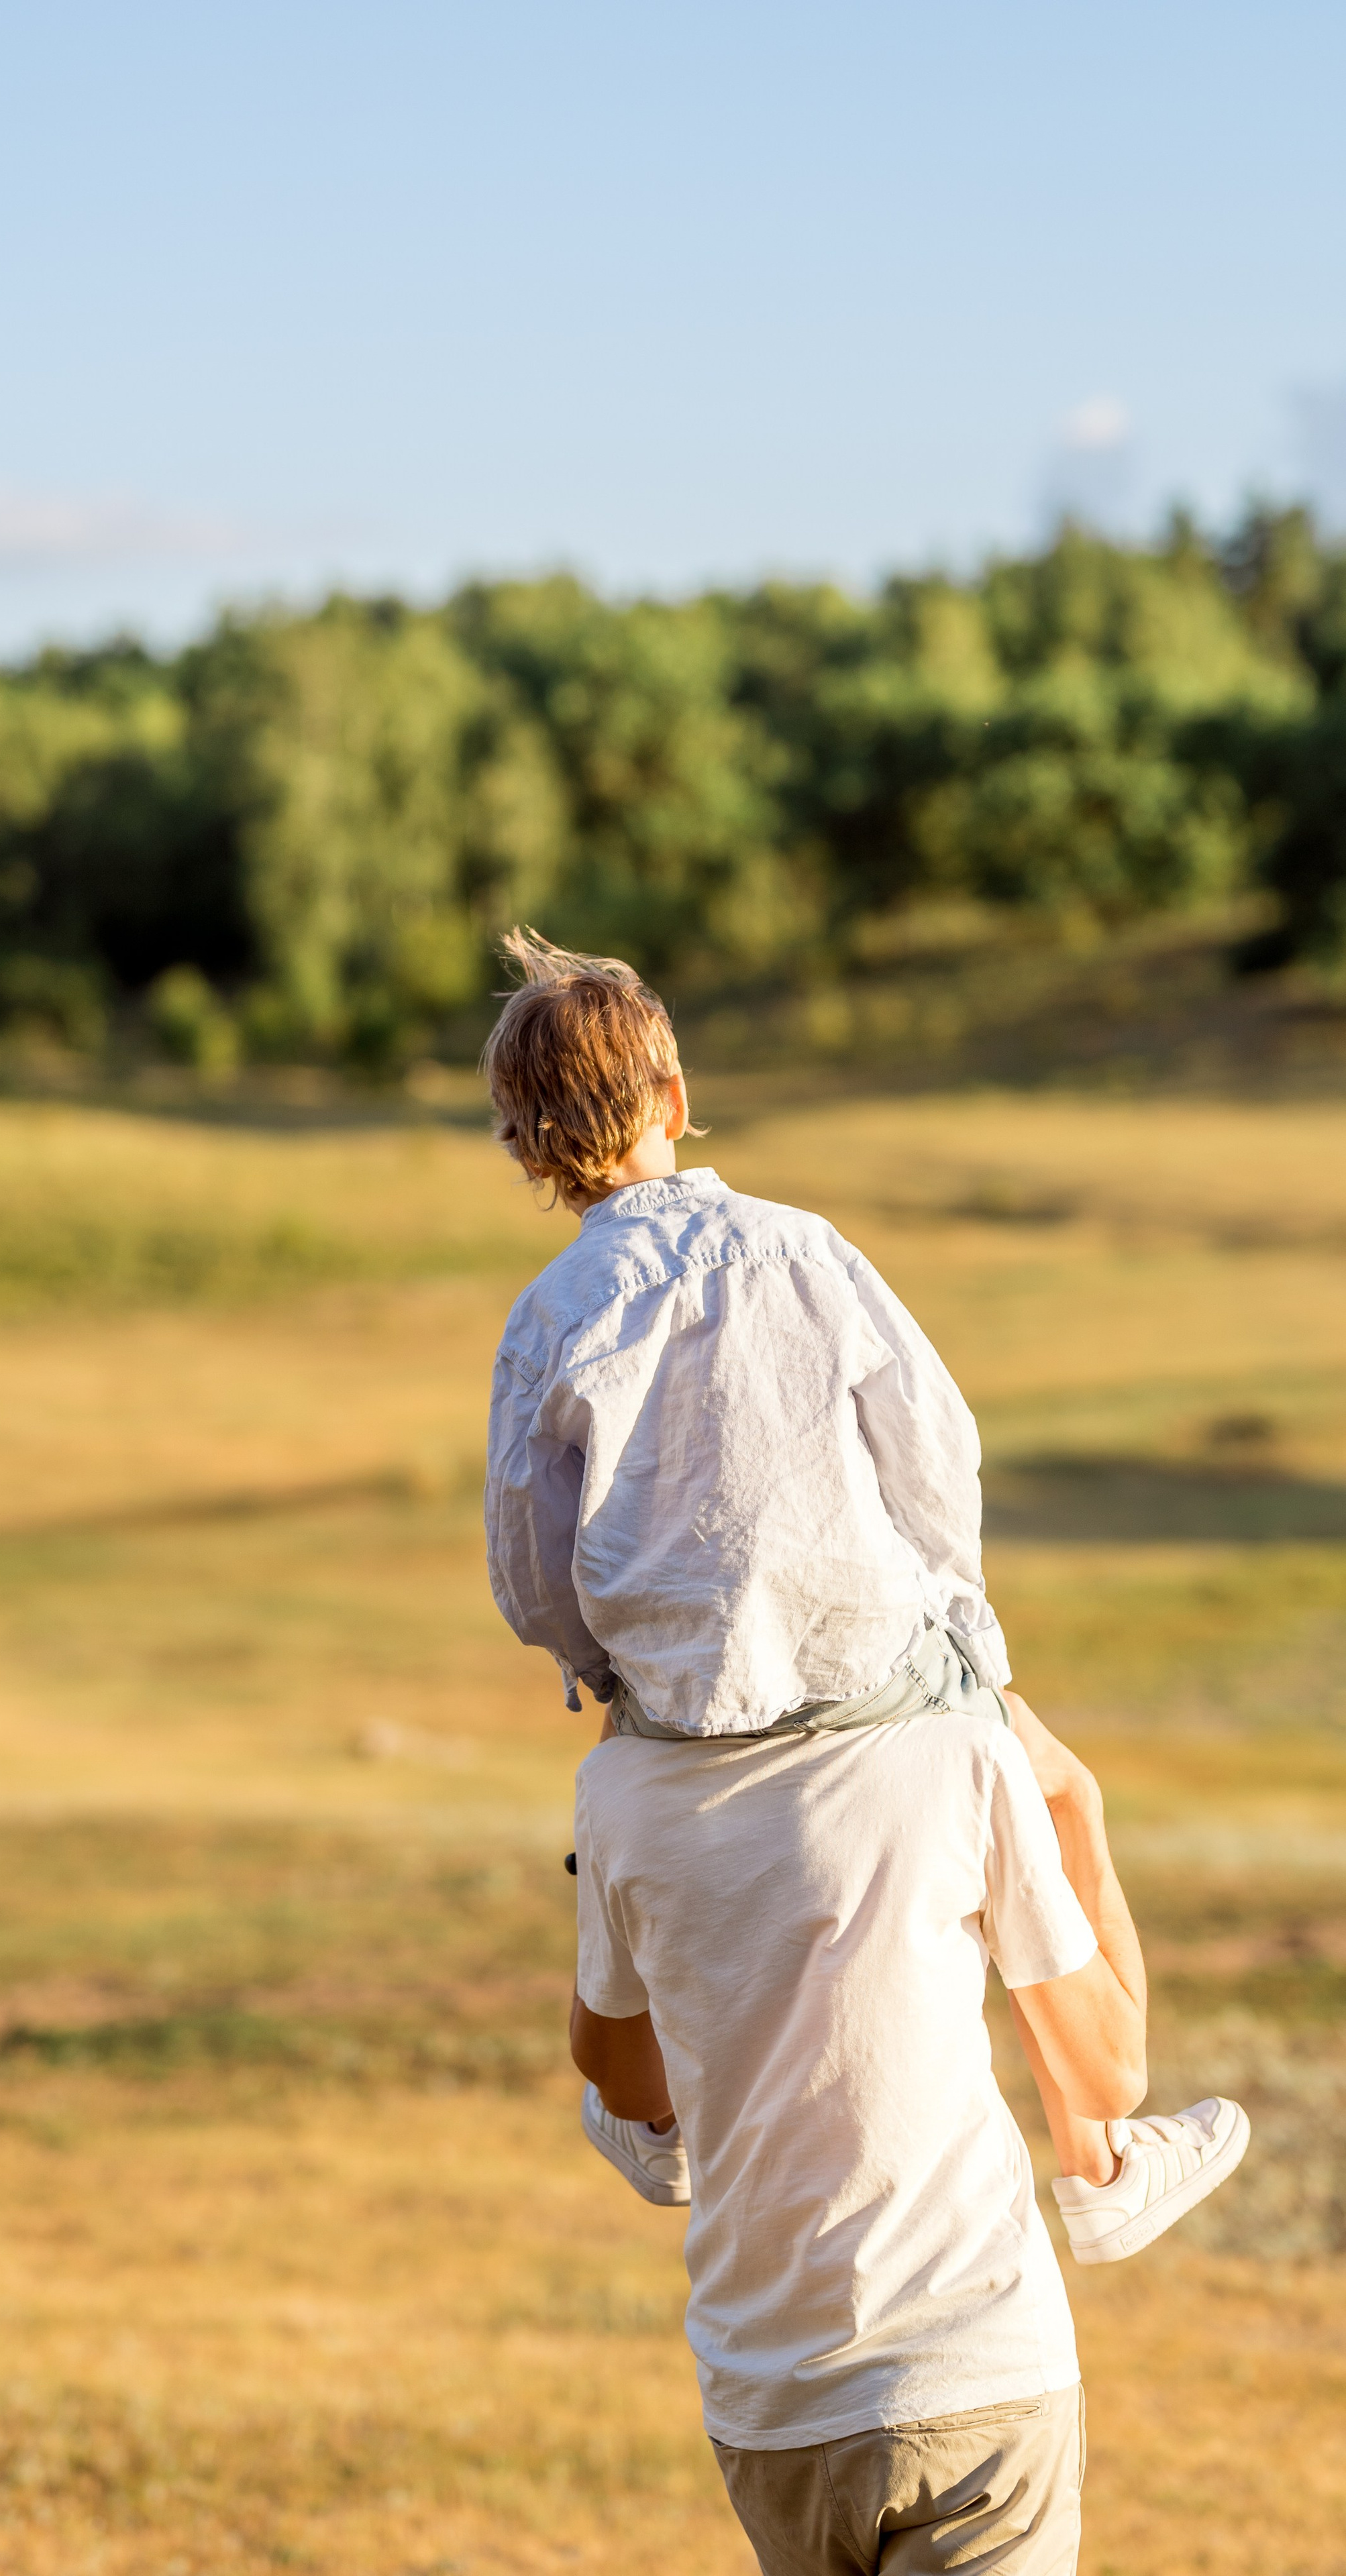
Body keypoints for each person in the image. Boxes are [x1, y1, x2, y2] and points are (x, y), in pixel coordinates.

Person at [480, 932, 1247, 2569]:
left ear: (523, 1150)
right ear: (675, 1093)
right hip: (878, 1677)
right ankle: (1099, 2161)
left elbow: (528, 1558)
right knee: (1033, 1791)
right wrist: (963, 1635)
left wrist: (600, 1677)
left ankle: (672, 2131)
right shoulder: (803, 1252)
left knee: (678, 1975)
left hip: (673, 1723)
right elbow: (925, 1445)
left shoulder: (547, 1322)